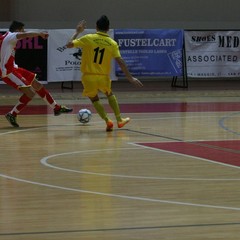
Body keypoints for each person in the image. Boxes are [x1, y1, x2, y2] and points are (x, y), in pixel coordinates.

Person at [66, 16, 143, 131]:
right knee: (109, 94)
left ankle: (108, 121)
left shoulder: (88, 38)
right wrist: (130, 78)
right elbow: (120, 61)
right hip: (103, 77)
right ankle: (119, 120)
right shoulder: (112, 43)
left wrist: (77, 32)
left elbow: (69, 44)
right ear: (108, 28)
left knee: (94, 99)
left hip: (88, 77)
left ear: (96, 27)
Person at [0, 21, 73, 127]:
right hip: (8, 71)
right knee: (30, 93)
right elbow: (26, 35)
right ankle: (12, 114)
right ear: (17, 30)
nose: (23, 32)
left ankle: (57, 108)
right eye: (22, 30)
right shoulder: (12, 36)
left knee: (37, 85)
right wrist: (39, 34)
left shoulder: (4, 36)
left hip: (14, 68)